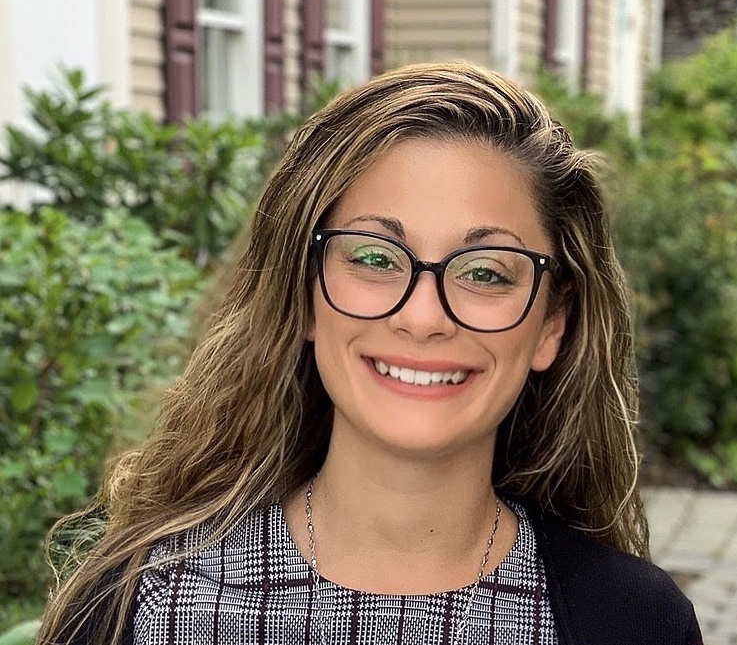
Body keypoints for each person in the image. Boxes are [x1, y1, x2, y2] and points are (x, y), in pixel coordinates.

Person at [37, 62, 703, 645]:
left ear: (551, 322)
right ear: (302, 293)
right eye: (375, 257)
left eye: (485, 272)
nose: (422, 317)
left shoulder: (632, 621)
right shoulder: (134, 609)